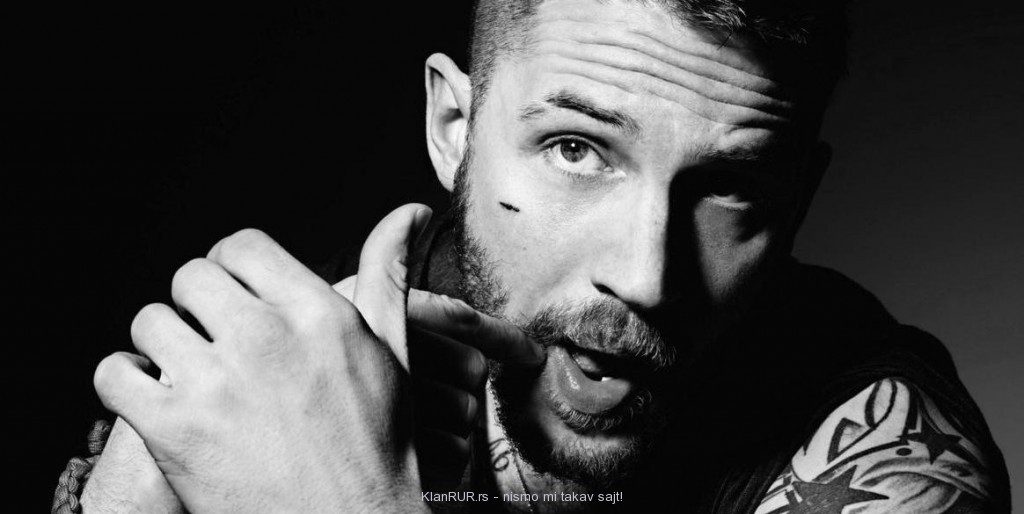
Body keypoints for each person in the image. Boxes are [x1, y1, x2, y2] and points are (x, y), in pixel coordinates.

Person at [53, 0, 1011, 512]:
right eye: (577, 150)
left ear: (797, 199)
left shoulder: (887, 460)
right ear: (454, 128)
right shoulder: (284, 379)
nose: (646, 276)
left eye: (730, 187)